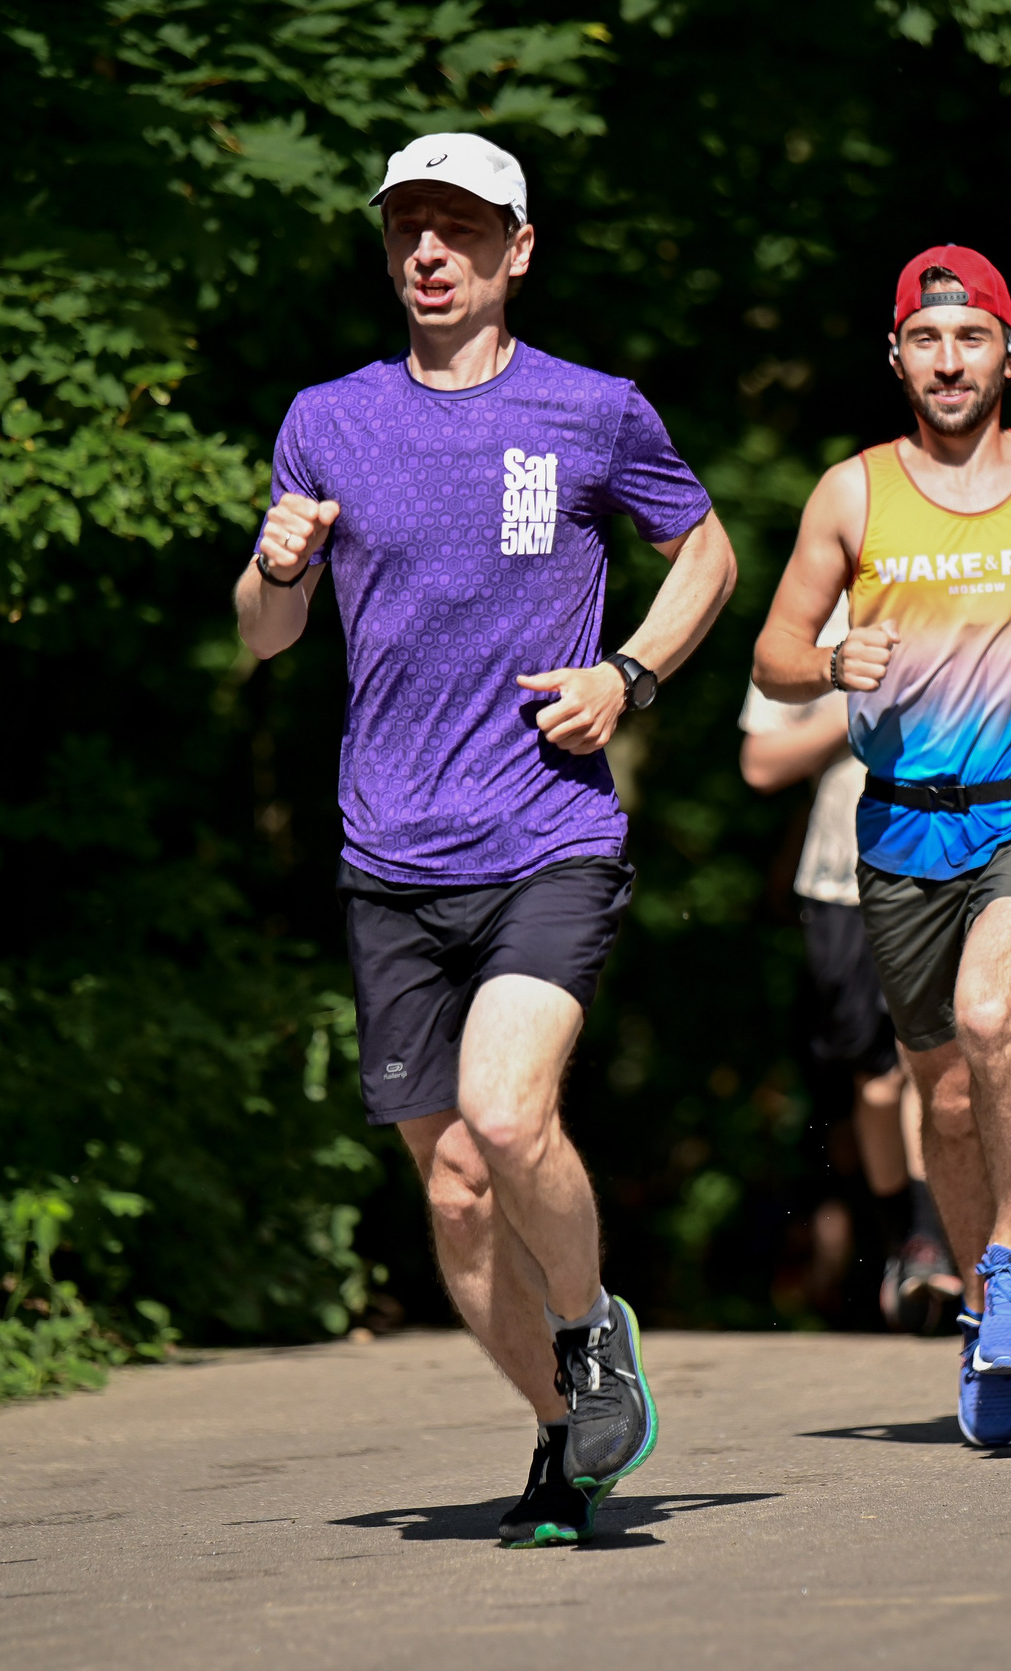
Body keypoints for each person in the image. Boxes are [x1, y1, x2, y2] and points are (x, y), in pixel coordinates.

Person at [234, 133, 736, 1547]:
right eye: (409, 228)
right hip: (391, 855)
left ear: (517, 250)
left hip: (544, 833)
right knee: (455, 1192)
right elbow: (264, 635)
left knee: (508, 1116)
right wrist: (274, 567)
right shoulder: (328, 419)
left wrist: (629, 674)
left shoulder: (593, 409)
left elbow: (706, 549)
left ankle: (591, 1339)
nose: (429, 252)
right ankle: (565, 1434)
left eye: (459, 228)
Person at [752, 246, 1011, 1447]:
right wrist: (829, 660)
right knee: (940, 1093)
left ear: (1009, 353)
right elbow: (773, 652)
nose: (948, 360)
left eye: (970, 338)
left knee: (995, 1015)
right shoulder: (852, 493)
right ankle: (990, 1311)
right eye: (926, 340)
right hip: (903, 826)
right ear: (896, 357)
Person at [739, 599, 962, 1333]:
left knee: (928, 1058)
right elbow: (760, 763)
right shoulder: (814, 622)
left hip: (943, 870)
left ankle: (933, 1235)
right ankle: (904, 1237)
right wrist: (856, 703)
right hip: (839, 884)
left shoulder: (961, 593)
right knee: (875, 1080)